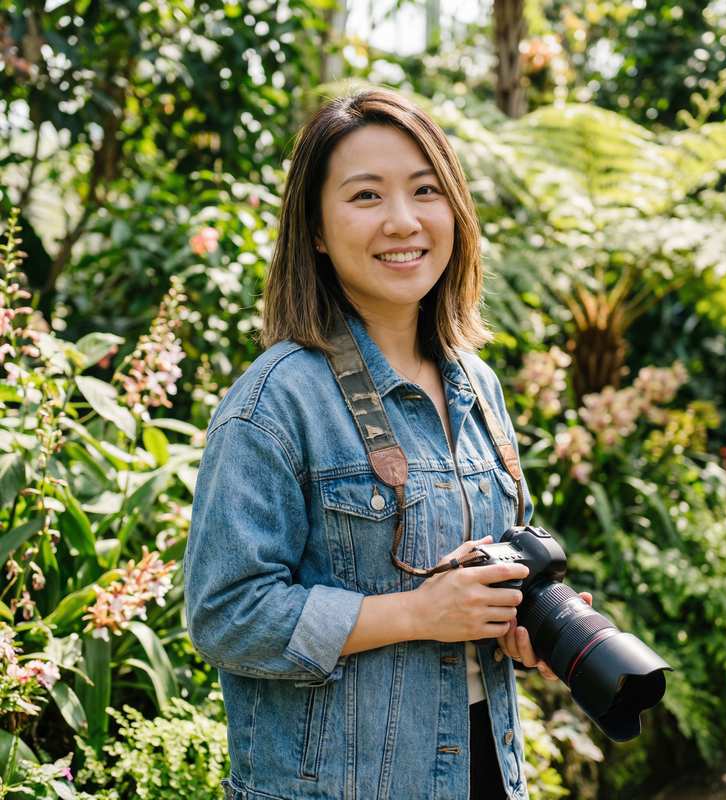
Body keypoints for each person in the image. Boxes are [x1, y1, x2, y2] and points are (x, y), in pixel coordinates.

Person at [184, 86, 590, 800]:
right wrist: (417, 614)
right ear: (314, 228)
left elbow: (475, 577)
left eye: (425, 190)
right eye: (366, 196)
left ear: (455, 210)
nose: (403, 222)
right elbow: (225, 615)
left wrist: (517, 623)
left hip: (484, 770)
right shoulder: (275, 402)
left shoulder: (476, 385)